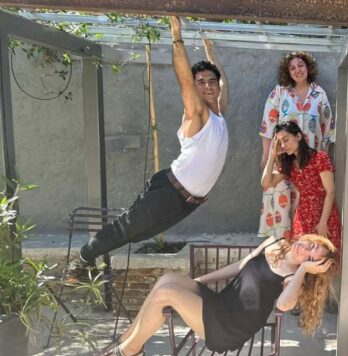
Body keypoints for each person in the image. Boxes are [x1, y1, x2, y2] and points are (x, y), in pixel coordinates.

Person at [68, 16, 229, 277]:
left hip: (185, 202)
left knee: (137, 235)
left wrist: (210, 52)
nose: (208, 86)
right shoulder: (198, 113)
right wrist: (176, 36)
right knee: (126, 229)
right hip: (169, 192)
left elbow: (224, 82)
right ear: (195, 88)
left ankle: (91, 259)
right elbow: (184, 80)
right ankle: (82, 259)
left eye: (211, 81)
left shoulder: (219, 113)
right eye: (201, 82)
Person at [91, 234, 338, 356]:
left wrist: (302, 270)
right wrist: (200, 281)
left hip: (230, 327)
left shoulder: (292, 278)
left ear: (312, 267)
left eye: (311, 255)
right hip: (220, 303)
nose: (306, 247)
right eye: (313, 244)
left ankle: (130, 351)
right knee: (167, 280)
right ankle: (125, 339)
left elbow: (283, 305)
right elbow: (240, 266)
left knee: (165, 294)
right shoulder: (275, 242)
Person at [258, 51, 335, 240]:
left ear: (308, 67)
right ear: (288, 72)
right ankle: (282, 242)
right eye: (292, 68)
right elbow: (268, 123)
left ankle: (303, 240)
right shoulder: (280, 92)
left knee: (306, 198)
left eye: (300, 65)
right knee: (281, 196)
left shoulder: (319, 93)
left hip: (310, 159)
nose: (297, 70)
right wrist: (267, 154)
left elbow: (327, 128)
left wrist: (324, 159)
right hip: (284, 156)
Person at [261, 121, 341, 252]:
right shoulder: (289, 165)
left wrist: (323, 222)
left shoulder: (319, 157)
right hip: (303, 215)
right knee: (301, 255)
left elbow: (330, 191)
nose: (283, 145)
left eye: (286, 140)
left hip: (324, 213)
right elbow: (266, 183)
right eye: (280, 142)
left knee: (326, 254)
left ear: (298, 136)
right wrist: (272, 155)